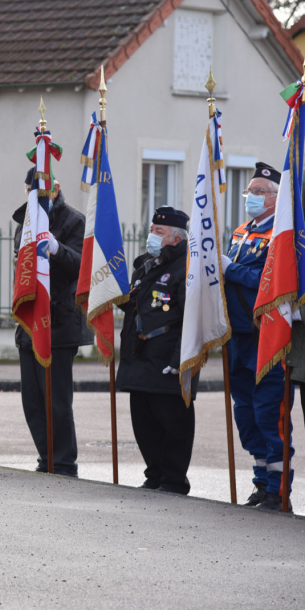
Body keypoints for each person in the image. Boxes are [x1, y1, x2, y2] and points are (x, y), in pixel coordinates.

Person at [222, 162, 293, 511]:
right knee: (246, 415)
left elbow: (269, 282)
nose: (252, 196)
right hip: (237, 336)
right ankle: (261, 482)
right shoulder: (240, 232)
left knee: (269, 413)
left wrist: (231, 269)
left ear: (277, 198)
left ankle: (278, 491)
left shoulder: (281, 236)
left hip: (265, 335)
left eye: (260, 192)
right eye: (249, 191)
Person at [12, 168, 91, 477]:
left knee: (56, 401)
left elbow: (81, 265)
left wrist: (57, 249)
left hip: (59, 323)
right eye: (31, 189)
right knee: (32, 401)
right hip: (30, 323)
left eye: (43, 189)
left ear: (56, 188)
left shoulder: (74, 221)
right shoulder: (26, 221)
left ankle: (64, 462)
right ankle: (46, 458)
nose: (37, 194)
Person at [116, 205, 196, 495]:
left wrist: (180, 359)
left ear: (176, 238)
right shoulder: (146, 265)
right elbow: (134, 305)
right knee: (144, 421)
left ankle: (174, 479)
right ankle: (154, 474)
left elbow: (191, 318)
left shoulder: (186, 267)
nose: (151, 235)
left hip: (167, 358)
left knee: (173, 422)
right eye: (151, 230)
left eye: (158, 231)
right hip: (139, 356)